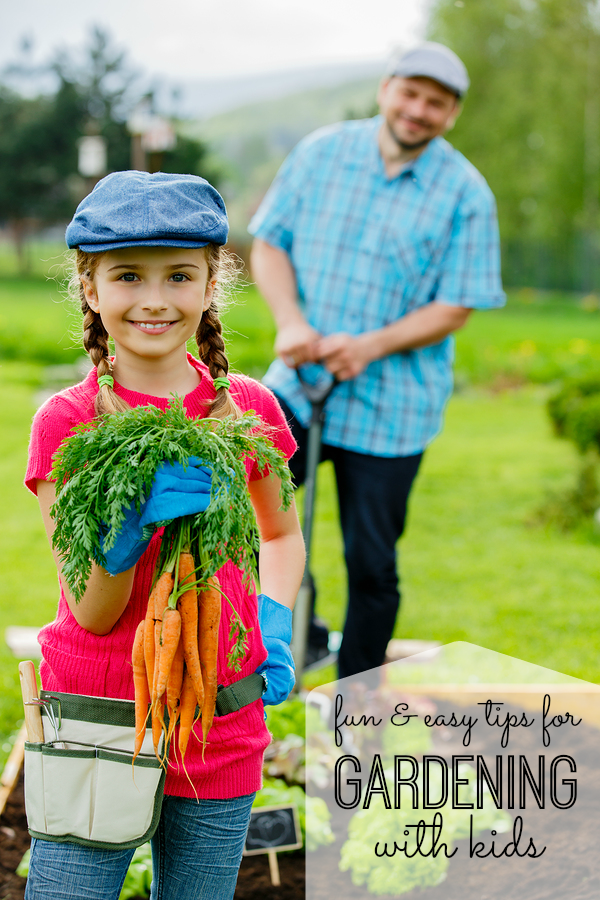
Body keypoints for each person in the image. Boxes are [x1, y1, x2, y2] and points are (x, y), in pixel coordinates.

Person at [24, 171, 305, 900]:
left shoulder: (249, 410)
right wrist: (123, 540)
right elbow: (93, 613)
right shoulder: (68, 422)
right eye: (128, 276)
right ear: (90, 288)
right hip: (99, 714)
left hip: (222, 712)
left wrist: (273, 618)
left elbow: (279, 533)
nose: (154, 299)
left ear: (212, 284)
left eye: (179, 275)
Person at [249, 42, 506, 679]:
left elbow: (457, 305)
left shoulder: (466, 194)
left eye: (436, 102)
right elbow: (270, 244)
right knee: (241, 517)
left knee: (371, 565)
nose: (418, 110)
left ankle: (355, 707)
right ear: (387, 89)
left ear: (452, 113)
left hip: (394, 410)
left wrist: (367, 346)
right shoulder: (322, 153)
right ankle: (299, 638)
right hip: (298, 385)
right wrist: (291, 322)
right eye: (410, 93)